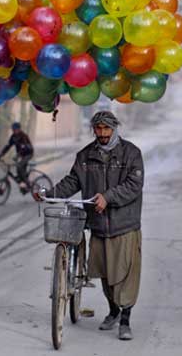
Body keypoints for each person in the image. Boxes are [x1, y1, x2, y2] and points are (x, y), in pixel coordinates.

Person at [34, 111, 143, 341]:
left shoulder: (131, 153)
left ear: (115, 128)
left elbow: (134, 185)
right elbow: (72, 181)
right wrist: (49, 194)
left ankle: (125, 319)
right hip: (98, 225)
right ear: (93, 129)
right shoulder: (85, 156)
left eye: (107, 129)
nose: (102, 133)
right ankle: (113, 311)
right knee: (105, 274)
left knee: (125, 274)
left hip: (125, 224)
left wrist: (108, 197)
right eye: (98, 129)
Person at [0, 122, 34, 191]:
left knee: (19, 166)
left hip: (28, 154)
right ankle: (23, 185)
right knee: (18, 169)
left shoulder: (23, 136)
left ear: (19, 129)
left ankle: (27, 183)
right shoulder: (13, 137)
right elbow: (8, 146)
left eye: (16, 130)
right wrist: (1, 154)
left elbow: (25, 148)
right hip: (20, 155)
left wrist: (18, 155)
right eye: (13, 130)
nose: (14, 131)